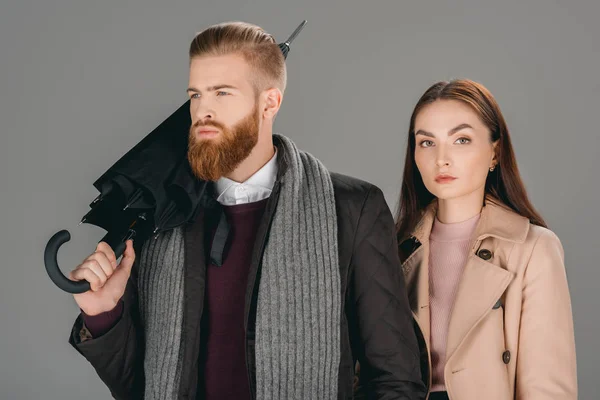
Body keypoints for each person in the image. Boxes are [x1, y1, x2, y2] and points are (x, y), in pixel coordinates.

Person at [66, 21, 427, 400]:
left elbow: (395, 379)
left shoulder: (353, 209)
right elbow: (138, 387)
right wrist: (103, 314)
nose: (203, 110)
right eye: (196, 95)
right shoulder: (164, 215)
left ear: (269, 102)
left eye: (222, 93)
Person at [393, 79, 577, 399]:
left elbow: (548, 389)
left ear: (495, 152)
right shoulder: (392, 248)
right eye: (426, 142)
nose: (442, 158)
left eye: (461, 139)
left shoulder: (534, 249)